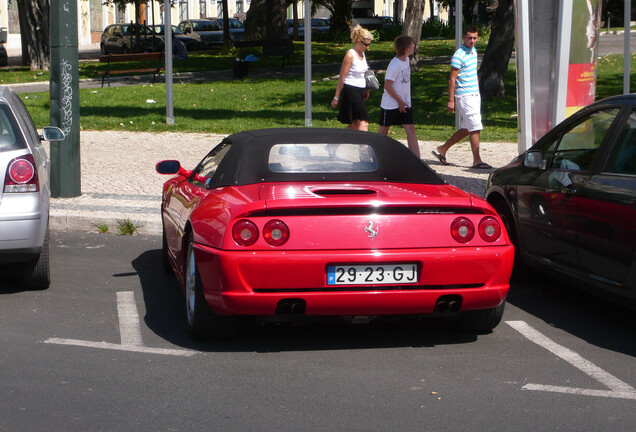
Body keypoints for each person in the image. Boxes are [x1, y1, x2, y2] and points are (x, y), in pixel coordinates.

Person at [432, 25, 491, 169]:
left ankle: (443, 149)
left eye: (474, 38)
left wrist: (477, 90)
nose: (472, 41)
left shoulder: (474, 52)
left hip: (474, 94)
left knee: (467, 128)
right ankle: (477, 160)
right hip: (464, 96)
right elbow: (452, 79)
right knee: (475, 127)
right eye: (469, 38)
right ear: (464, 37)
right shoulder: (458, 55)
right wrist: (451, 100)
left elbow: (473, 72)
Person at [378, 35, 420, 158]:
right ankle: (375, 155)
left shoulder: (406, 60)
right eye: (412, 44)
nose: (414, 46)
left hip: (405, 103)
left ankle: (417, 161)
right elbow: (387, 85)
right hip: (390, 105)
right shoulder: (395, 64)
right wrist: (399, 102)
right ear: (407, 48)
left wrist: (403, 102)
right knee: (383, 132)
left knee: (411, 129)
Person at [331, 25, 374, 131]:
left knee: (355, 124)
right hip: (351, 89)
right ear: (359, 41)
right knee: (363, 121)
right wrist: (336, 97)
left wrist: (366, 89)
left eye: (369, 44)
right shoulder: (350, 55)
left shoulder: (363, 54)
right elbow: (342, 76)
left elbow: (364, 73)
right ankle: (364, 147)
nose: (368, 47)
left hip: (360, 89)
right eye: (366, 44)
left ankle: (334, 144)